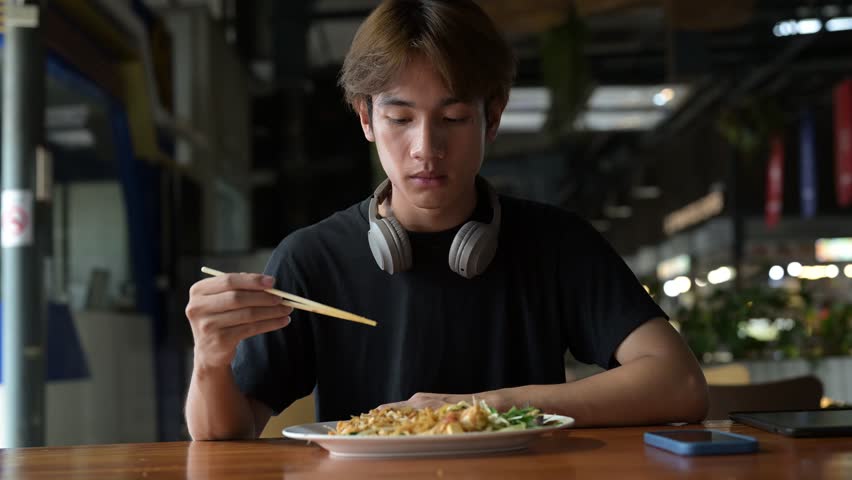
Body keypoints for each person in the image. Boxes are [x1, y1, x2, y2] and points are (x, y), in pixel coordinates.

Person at [184, 0, 708, 441]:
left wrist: (489, 407)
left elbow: (679, 385)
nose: (426, 149)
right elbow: (227, 436)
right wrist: (210, 360)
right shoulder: (311, 258)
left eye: (454, 118)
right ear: (366, 118)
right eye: (400, 118)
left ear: (493, 116)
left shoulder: (557, 243)